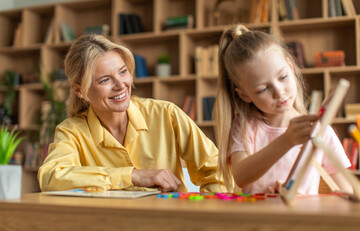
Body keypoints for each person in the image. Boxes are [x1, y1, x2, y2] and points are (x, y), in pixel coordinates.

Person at [38, 34, 225, 193]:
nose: (121, 85)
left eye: (123, 72)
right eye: (105, 80)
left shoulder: (166, 115)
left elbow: (218, 171)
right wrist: (132, 176)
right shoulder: (72, 131)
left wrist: (199, 213)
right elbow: (50, 177)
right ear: (80, 91)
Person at [213, 24, 352, 194]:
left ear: (291, 68)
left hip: (301, 219)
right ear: (244, 95)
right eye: (263, 89)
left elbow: (347, 190)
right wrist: (287, 140)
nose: (279, 92)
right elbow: (241, 176)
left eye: (283, 77)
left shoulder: (320, 131)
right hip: (256, 219)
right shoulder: (244, 126)